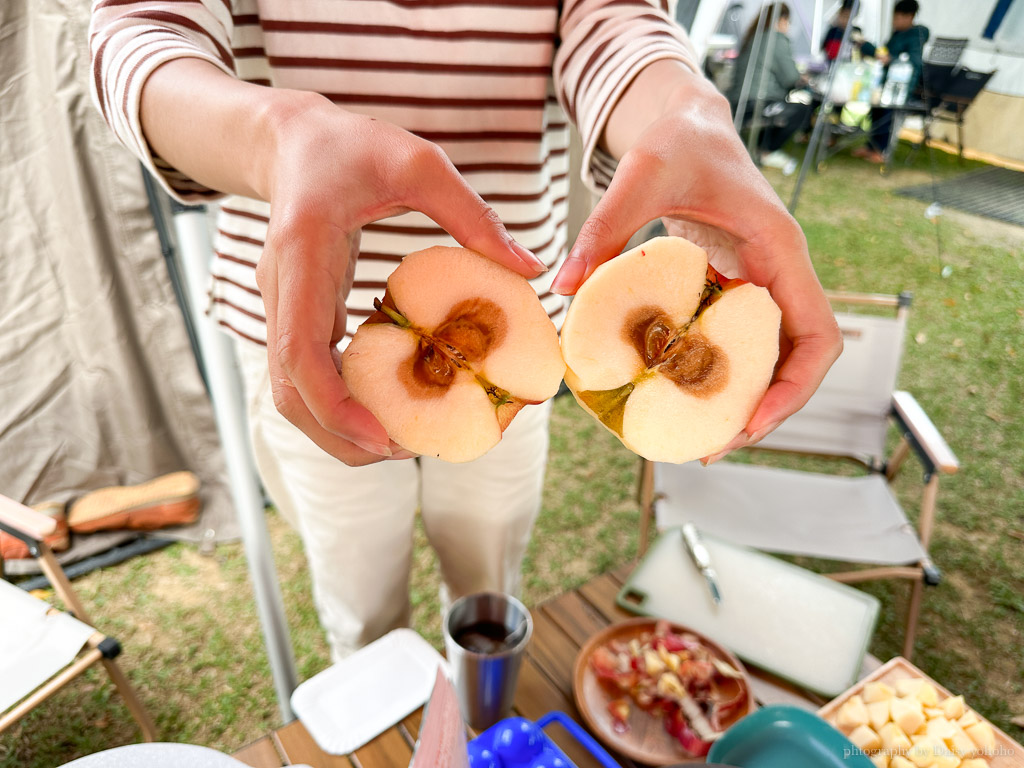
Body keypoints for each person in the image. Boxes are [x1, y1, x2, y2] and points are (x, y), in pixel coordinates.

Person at [90, 0, 841, 660]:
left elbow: (614, 21)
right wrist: (273, 134)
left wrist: (684, 109)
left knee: (487, 603)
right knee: (359, 605)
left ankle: (476, 724)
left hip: (520, 358)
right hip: (307, 342)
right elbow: (141, 32)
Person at [727, 3, 814, 175]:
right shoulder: (776, 39)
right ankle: (766, 150)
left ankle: (760, 147)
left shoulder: (754, 36)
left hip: (737, 101)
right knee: (801, 109)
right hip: (757, 101)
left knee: (781, 109)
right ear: (783, 20)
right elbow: (790, 78)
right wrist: (803, 78)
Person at [853, 0, 930, 162]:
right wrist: (866, 46)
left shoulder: (916, 36)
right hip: (886, 82)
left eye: (898, 18)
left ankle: (881, 151)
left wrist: (892, 59)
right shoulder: (897, 34)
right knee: (876, 109)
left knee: (887, 112)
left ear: (910, 17)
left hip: (902, 86)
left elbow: (914, 62)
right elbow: (884, 52)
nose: (895, 21)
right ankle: (871, 146)